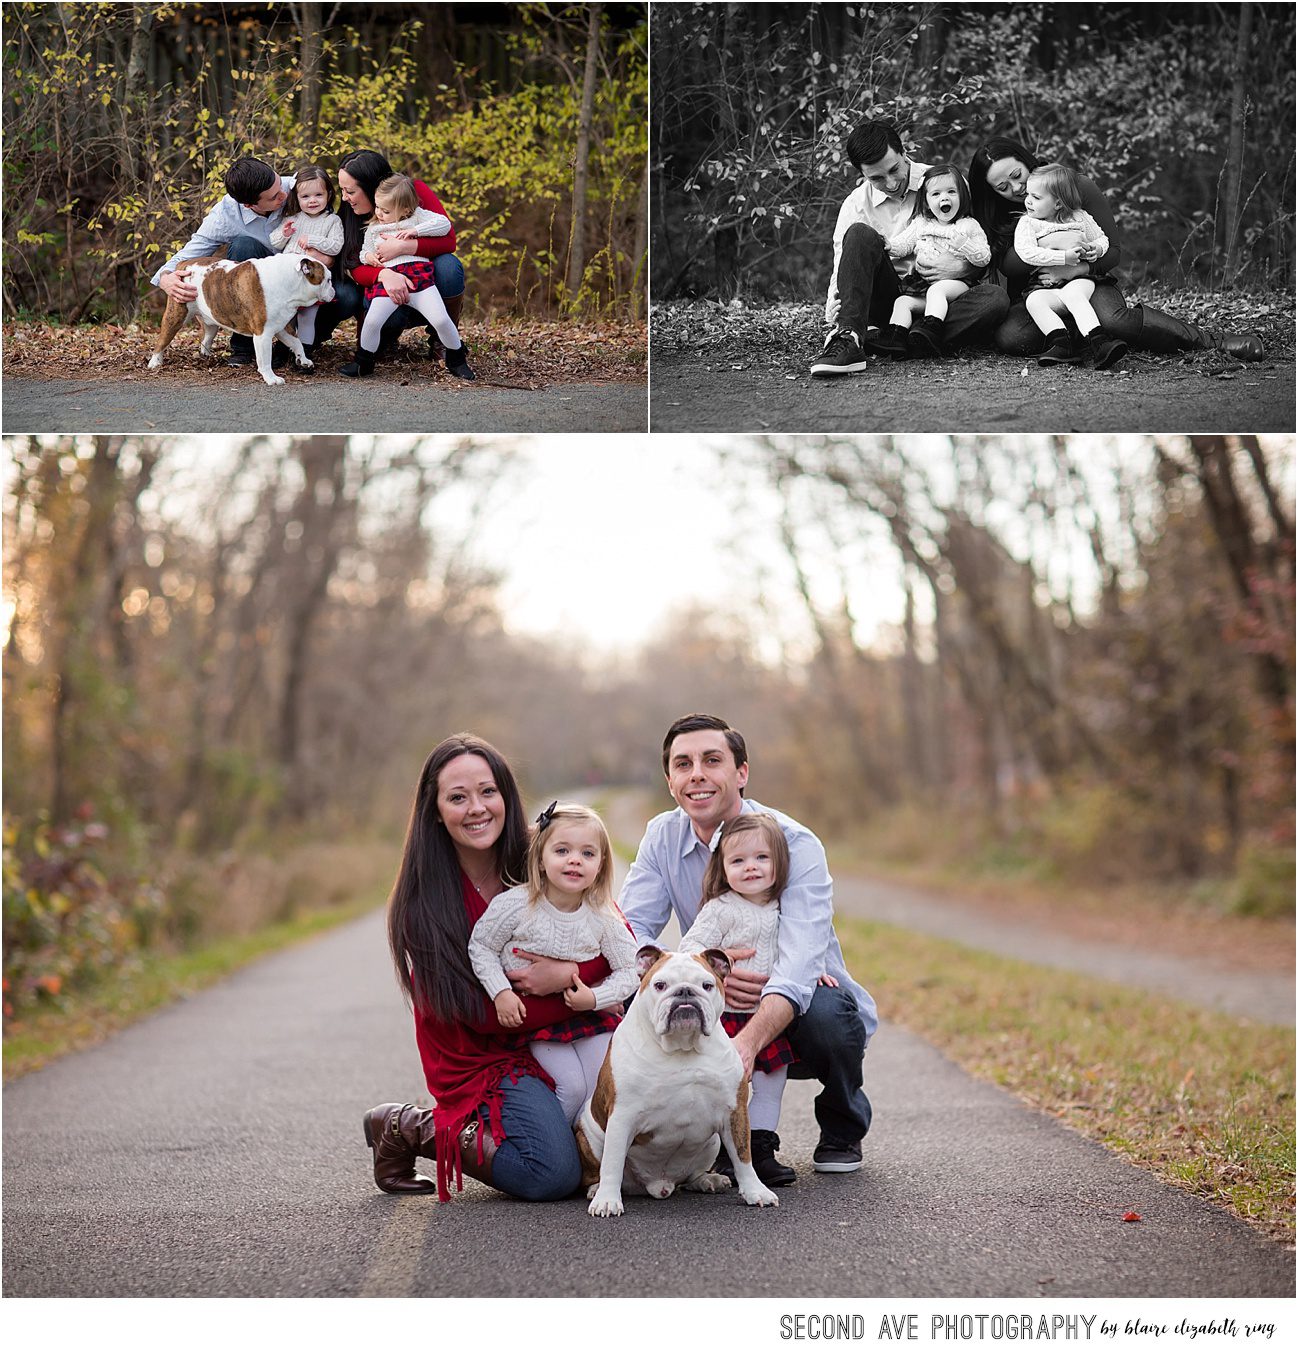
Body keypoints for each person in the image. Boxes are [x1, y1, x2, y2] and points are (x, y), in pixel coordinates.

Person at [618, 713, 878, 1174]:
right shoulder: (663, 835)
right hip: (718, 990)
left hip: (799, 995)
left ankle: (842, 1123)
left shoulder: (793, 843)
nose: (696, 774)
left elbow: (799, 966)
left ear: (741, 772)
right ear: (670, 780)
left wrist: (748, 1043)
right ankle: (681, 1136)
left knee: (829, 1017)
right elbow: (630, 931)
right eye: (683, 764)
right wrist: (705, 984)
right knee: (629, 992)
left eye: (712, 760)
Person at [362, 735, 613, 1202]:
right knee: (552, 1173)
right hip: (481, 1053)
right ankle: (407, 1126)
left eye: (487, 792)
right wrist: (578, 996)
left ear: (506, 796)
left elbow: (612, 937)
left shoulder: (544, 854)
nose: (476, 808)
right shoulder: (425, 902)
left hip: (552, 1035)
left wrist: (567, 975)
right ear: (436, 811)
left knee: (606, 1140)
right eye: (458, 798)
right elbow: (478, 1016)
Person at [968, 135, 1265, 361]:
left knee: (1114, 318)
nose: (1016, 189)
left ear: (1026, 162)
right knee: (1010, 336)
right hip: (1038, 293)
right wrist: (1056, 243)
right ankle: (1087, 334)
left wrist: (1079, 266)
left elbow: (1112, 253)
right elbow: (1008, 265)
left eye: (1017, 176)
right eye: (1002, 187)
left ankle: (1211, 340)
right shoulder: (999, 212)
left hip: (1088, 282)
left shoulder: (1075, 188)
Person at [467, 801, 637, 1125]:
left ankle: (593, 1155)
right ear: (541, 859)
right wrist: (501, 992)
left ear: (601, 865)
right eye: (562, 851)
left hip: (588, 1016)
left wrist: (596, 998)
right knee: (572, 1088)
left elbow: (631, 969)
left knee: (606, 1083)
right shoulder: (517, 905)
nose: (575, 860)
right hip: (540, 1024)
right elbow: (482, 946)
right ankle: (561, 1149)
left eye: (588, 854)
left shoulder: (603, 917)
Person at [810, 119, 1009, 377]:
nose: (891, 183)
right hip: (890, 297)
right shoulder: (856, 204)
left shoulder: (945, 183)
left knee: (995, 299)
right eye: (877, 178)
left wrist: (962, 268)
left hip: (946, 299)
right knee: (859, 233)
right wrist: (838, 309)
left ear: (904, 153)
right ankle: (851, 339)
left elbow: (981, 244)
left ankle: (908, 338)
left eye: (894, 169)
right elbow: (844, 261)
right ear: (862, 174)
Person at [677, 812, 806, 1188]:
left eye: (761, 858)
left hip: (766, 1017)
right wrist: (722, 961)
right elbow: (689, 948)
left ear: (779, 862)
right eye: (738, 860)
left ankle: (760, 1148)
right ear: (723, 867)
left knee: (771, 1080)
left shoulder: (784, 907)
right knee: (726, 1086)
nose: (750, 867)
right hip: (728, 1016)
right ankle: (724, 1153)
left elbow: (804, 947)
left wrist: (823, 968)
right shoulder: (721, 908)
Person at [312, 148, 466, 364]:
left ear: (371, 188)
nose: (345, 198)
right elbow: (353, 263)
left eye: (351, 191)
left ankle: (443, 341)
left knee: (449, 266)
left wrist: (404, 247)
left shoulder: (412, 192)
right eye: (342, 190)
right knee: (386, 324)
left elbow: (449, 239)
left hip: (422, 284)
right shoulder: (349, 215)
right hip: (383, 291)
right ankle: (379, 340)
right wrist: (383, 275)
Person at [149, 155, 295, 368]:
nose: (284, 195)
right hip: (258, 285)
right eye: (274, 197)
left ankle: (296, 347)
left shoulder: (298, 188)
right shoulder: (226, 214)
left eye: (280, 185)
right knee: (244, 246)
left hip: (297, 279)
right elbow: (192, 250)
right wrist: (165, 278)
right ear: (248, 204)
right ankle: (244, 347)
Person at [340, 173, 475, 380]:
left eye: (385, 210)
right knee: (373, 321)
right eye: (377, 207)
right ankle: (363, 362)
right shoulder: (374, 228)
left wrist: (415, 231)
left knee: (440, 318)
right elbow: (362, 253)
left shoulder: (418, 216)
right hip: (389, 283)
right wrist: (369, 257)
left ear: (405, 210)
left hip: (420, 280)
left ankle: (456, 359)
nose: (379, 213)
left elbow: (444, 225)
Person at [870, 163, 991, 360]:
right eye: (936, 194)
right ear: (926, 201)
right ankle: (895, 338)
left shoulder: (968, 226)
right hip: (923, 286)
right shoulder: (921, 223)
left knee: (938, 291)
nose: (944, 197)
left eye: (952, 191)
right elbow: (904, 244)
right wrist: (889, 245)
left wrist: (965, 245)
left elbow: (984, 258)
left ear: (963, 196)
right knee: (903, 302)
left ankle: (930, 331)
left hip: (956, 286)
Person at [1013, 163, 1127, 369]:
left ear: (1058, 203)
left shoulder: (1079, 217)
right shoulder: (1027, 223)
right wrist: (1062, 257)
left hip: (1079, 279)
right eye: (1028, 195)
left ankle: (1099, 343)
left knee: (1073, 295)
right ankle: (1060, 343)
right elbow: (1026, 252)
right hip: (1045, 285)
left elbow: (1103, 239)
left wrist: (1096, 249)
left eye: (1036, 197)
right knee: (1035, 302)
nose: (1028, 201)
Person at [268, 164, 344, 357]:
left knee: (306, 317)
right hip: (286, 279)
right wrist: (284, 234)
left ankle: (305, 353)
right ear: (297, 198)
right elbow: (274, 242)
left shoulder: (332, 221)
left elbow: (336, 246)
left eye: (318, 195)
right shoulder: (292, 219)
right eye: (305, 196)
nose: (312, 201)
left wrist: (313, 240)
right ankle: (283, 348)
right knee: (285, 315)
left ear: (328, 194)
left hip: (311, 280)